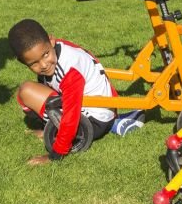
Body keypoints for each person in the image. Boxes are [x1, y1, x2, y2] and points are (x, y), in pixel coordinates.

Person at [9, 18, 116, 165]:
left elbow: (71, 116)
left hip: (94, 121)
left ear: (51, 40)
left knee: (26, 91)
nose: (44, 65)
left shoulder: (69, 69)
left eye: (45, 55)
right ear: (23, 62)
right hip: (98, 109)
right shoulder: (55, 48)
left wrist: (55, 154)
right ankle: (50, 127)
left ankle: (57, 133)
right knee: (24, 93)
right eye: (34, 63)